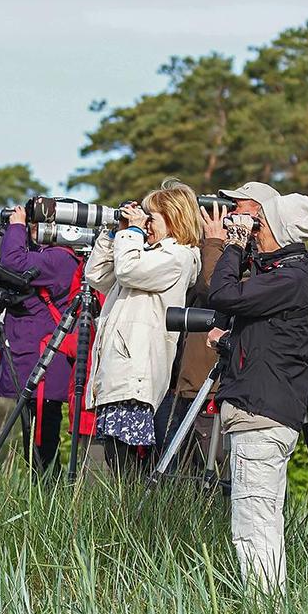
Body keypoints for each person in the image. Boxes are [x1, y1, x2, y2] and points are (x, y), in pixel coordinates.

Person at [205, 182, 308, 592]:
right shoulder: (286, 278)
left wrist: (233, 245)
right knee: (262, 519)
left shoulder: (290, 279)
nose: (247, 231)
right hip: (267, 408)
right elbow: (266, 341)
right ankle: (272, 613)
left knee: (254, 525)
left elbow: (224, 294)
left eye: (256, 225)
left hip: (261, 414)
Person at [83, 179, 202, 474]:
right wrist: (115, 233)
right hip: (120, 370)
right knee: (112, 459)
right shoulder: (143, 251)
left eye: (151, 218)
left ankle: (131, 517)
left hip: (136, 375)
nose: (145, 225)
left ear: (173, 219)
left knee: (124, 465)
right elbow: (97, 276)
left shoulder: (178, 256)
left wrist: (132, 233)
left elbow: (127, 270)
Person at [0, 206, 80, 473]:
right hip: (35, 357)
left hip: (46, 362)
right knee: (35, 438)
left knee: (43, 443)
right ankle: (43, 493)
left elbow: (13, 263)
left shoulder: (60, 259)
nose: (34, 227)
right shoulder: (47, 256)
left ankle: (46, 497)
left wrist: (18, 226)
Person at [161, 203, 230, 477]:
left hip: (209, 387)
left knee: (212, 475)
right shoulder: (194, 255)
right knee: (179, 477)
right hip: (183, 385)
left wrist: (216, 241)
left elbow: (214, 289)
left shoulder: (239, 257)